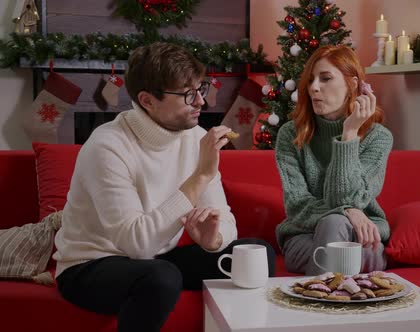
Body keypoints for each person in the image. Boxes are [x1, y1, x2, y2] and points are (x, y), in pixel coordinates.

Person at [53, 42, 275, 332]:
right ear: (147, 100)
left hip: (154, 260)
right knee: (161, 277)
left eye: (201, 89)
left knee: (257, 252)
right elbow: (137, 243)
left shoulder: (196, 138)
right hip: (90, 265)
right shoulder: (107, 146)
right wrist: (200, 177)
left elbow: (226, 220)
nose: (201, 102)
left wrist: (214, 240)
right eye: (187, 94)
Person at [275, 45, 393, 276]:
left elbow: (346, 196)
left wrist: (349, 134)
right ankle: (341, 298)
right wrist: (348, 211)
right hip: (304, 235)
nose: (314, 88)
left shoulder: (378, 138)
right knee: (334, 224)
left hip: (362, 237)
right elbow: (297, 205)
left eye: (325, 78)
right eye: (310, 81)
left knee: (338, 227)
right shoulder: (291, 134)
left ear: (353, 84)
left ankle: (319, 299)